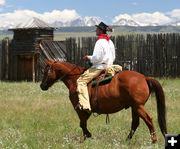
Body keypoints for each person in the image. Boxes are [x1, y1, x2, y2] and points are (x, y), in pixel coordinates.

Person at [76, 22, 116, 113]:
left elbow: (97, 58)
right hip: (109, 65)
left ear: (101, 30)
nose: (96, 30)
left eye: (97, 29)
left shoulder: (100, 41)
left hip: (99, 67)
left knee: (81, 81)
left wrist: (89, 58)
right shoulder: (109, 41)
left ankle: (85, 105)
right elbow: (113, 56)